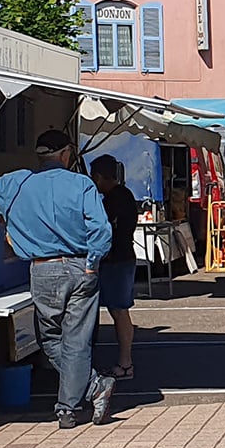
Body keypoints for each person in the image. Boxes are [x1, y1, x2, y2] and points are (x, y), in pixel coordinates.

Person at [0, 131, 116, 428]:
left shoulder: (17, 183)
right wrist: (92, 261)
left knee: (49, 339)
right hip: (79, 267)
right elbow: (101, 229)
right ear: (66, 154)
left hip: (42, 268)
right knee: (77, 339)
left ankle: (71, 404)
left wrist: (11, 227)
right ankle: (84, 393)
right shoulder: (81, 184)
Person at [89, 155, 139, 380]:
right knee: (119, 311)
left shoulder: (113, 199)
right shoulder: (125, 195)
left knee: (119, 311)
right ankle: (125, 362)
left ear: (99, 177)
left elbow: (106, 232)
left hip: (116, 262)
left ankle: (125, 363)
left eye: (93, 177)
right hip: (124, 258)